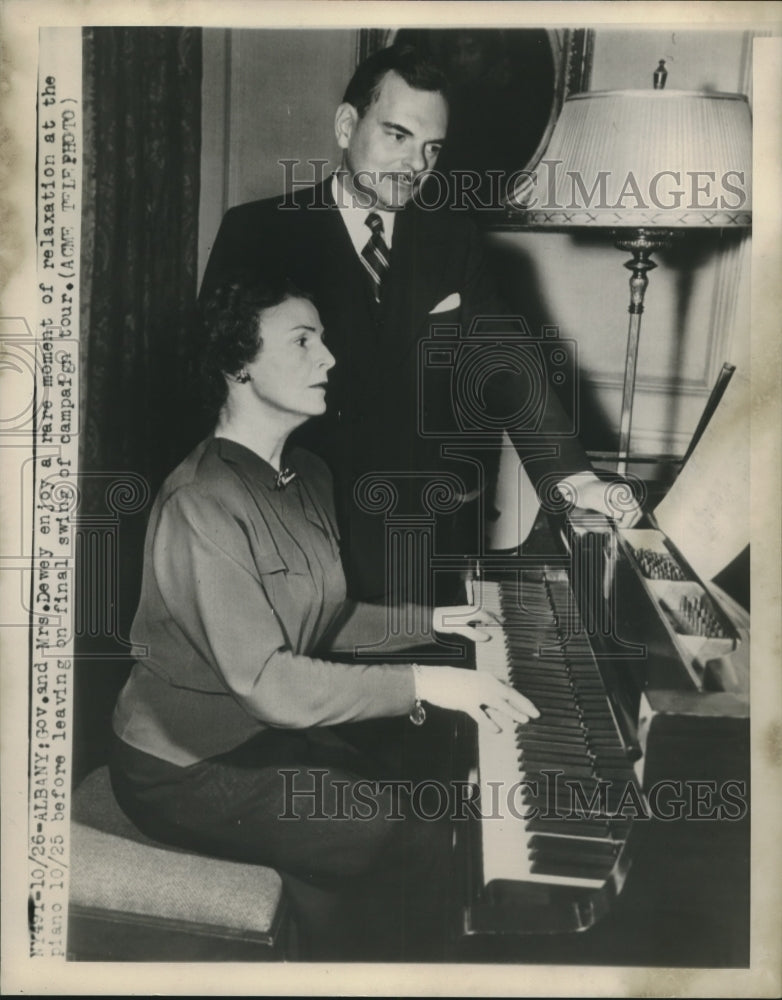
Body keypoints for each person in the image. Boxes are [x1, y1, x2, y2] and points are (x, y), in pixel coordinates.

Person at [108, 274, 540, 962]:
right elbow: (270, 683)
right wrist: (426, 683)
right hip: (184, 768)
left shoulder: (306, 472)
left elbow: (324, 618)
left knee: (432, 790)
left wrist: (433, 623)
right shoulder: (200, 504)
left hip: (259, 740)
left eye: (325, 339)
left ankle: (335, 942)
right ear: (239, 364)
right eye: (302, 341)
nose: (329, 358)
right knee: (422, 832)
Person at [200, 43, 641, 611]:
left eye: (432, 148)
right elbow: (211, 393)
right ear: (345, 125)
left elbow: (505, 358)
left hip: (419, 556)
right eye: (397, 136)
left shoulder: (451, 240)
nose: (416, 166)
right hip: (290, 546)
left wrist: (573, 477)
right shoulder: (257, 233)